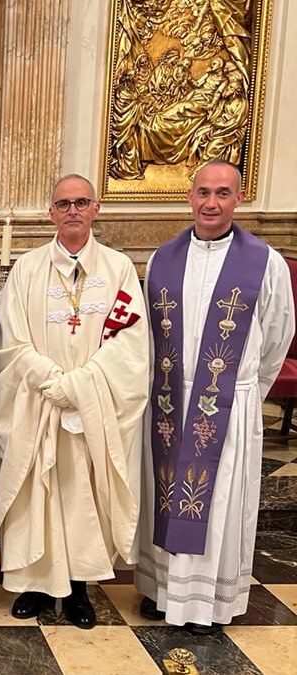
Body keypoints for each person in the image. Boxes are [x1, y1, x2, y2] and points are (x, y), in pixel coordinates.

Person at [135, 160, 294, 634]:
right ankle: (163, 590)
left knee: (220, 502)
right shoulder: (163, 258)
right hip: (170, 400)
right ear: (189, 197)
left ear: (238, 198)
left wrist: (243, 394)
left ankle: (204, 604)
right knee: (165, 493)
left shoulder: (265, 262)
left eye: (222, 193)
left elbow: (278, 336)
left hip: (227, 401)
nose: (211, 202)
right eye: (203, 192)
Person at [0, 174, 150, 629]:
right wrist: (49, 379)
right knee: (38, 490)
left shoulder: (117, 269)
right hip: (39, 400)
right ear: (51, 212)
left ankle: (78, 590)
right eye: (63, 203)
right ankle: (36, 586)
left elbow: (129, 344)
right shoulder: (27, 268)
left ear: (96, 209)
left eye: (81, 202)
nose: (72, 210)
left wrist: (79, 386)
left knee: (83, 497)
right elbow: (11, 342)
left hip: (91, 403)